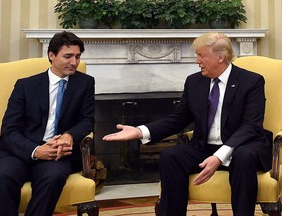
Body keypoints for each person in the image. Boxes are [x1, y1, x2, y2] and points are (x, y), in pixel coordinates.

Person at [103, 32, 272, 216]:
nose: (196, 60)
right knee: (171, 156)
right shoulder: (194, 82)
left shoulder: (251, 81)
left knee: (243, 156)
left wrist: (220, 156)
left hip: (242, 145)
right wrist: (140, 131)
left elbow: (251, 126)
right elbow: (178, 119)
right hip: (205, 147)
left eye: (201, 55)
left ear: (220, 57)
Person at [0, 31, 95, 216]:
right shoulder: (25, 85)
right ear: (51, 55)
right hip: (19, 151)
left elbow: (87, 120)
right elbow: (9, 131)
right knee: (2, 176)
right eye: (68, 56)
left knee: (53, 177)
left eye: (78, 56)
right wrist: (35, 151)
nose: (74, 62)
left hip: (57, 153)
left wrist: (69, 135)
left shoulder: (85, 83)